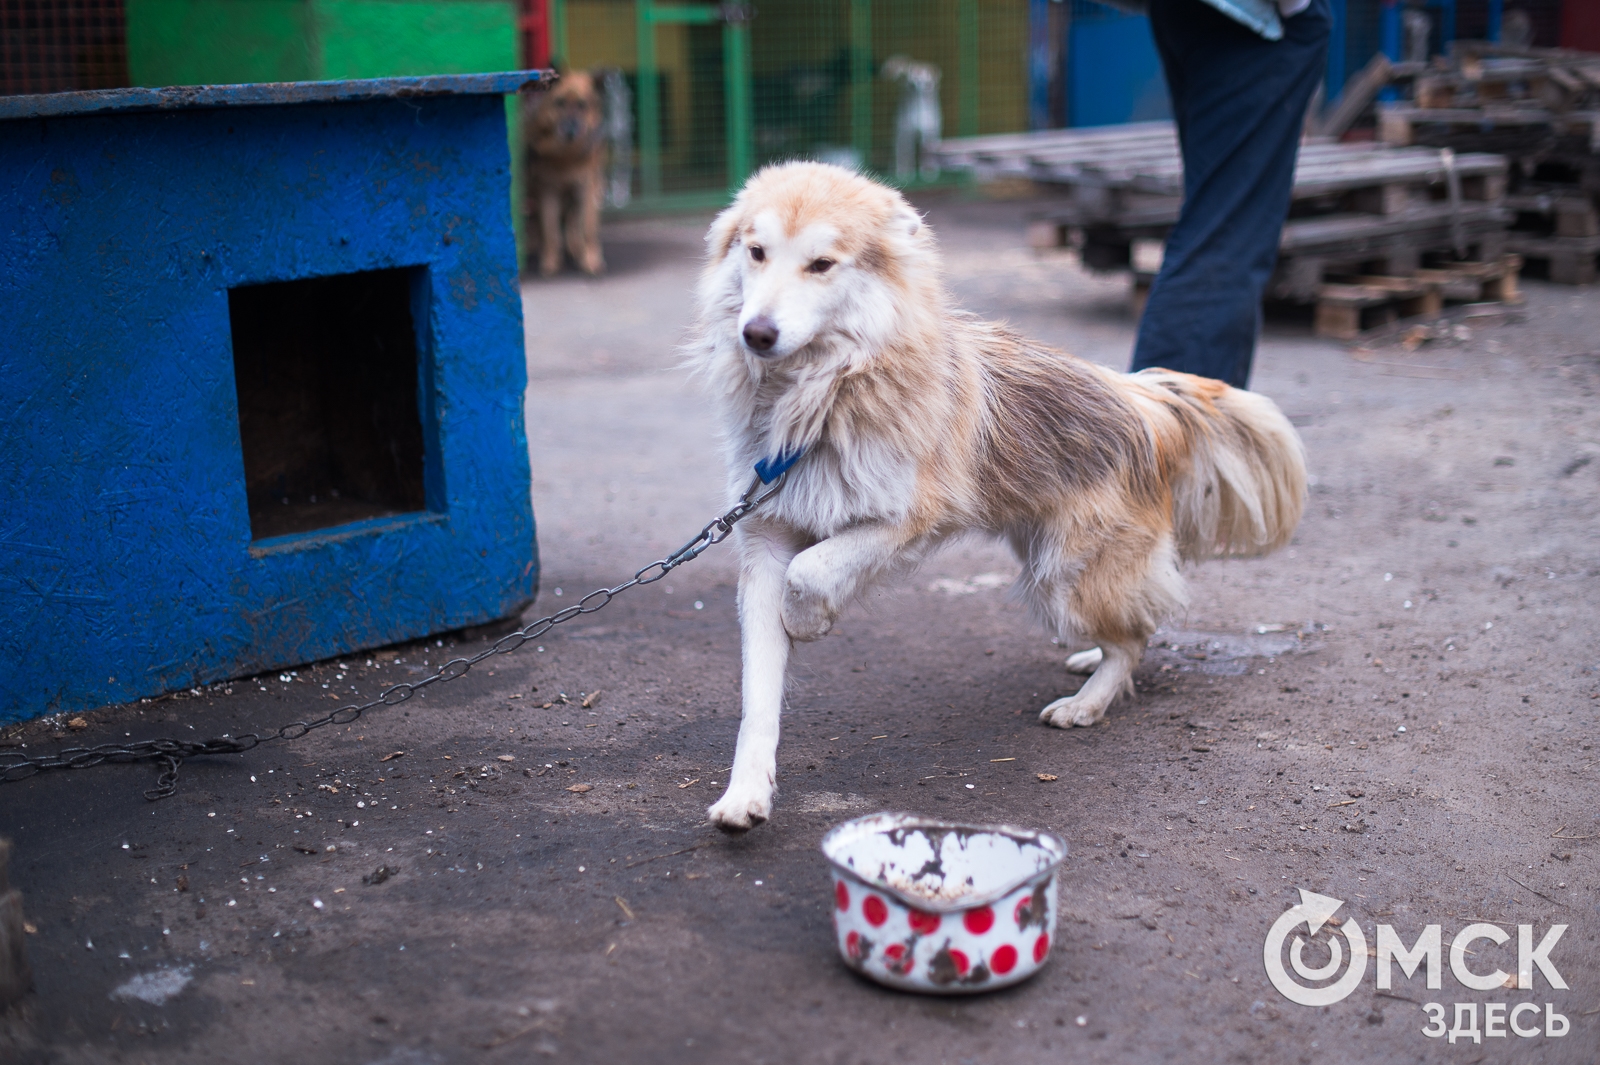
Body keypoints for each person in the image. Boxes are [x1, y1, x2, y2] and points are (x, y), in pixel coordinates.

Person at [1128, 0, 1332, 389]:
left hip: (1198, 13)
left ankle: (1181, 428)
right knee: (1225, 235)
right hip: (1256, 20)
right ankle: (1175, 436)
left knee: (1217, 220)